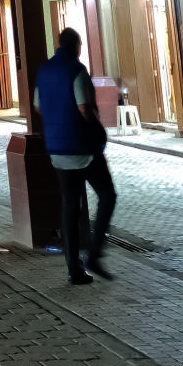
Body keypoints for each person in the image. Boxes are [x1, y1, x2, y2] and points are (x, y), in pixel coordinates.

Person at [34, 27, 115, 284]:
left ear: (59, 45)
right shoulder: (77, 70)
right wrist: (99, 131)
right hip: (83, 147)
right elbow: (84, 108)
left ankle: (73, 268)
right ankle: (95, 254)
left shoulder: (44, 71)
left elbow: (38, 106)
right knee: (107, 195)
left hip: (57, 149)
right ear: (77, 46)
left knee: (70, 205)